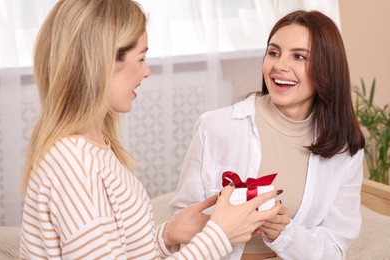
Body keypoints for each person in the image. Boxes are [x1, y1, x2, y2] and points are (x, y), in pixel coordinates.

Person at [19, 0, 283, 259]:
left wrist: (167, 235)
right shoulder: (73, 163)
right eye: (141, 57)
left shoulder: (92, 148)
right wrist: (219, 235)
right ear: (102, 62)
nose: (146, 72)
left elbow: (118, 246)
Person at [170, 10, 365, 260]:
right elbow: (183, 221)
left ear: (327, 69)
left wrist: (285, 234)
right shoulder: (216, 127)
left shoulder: (345, 150)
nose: (279, 66)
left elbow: (334, 248)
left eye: (299, 56)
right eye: (274, 52)